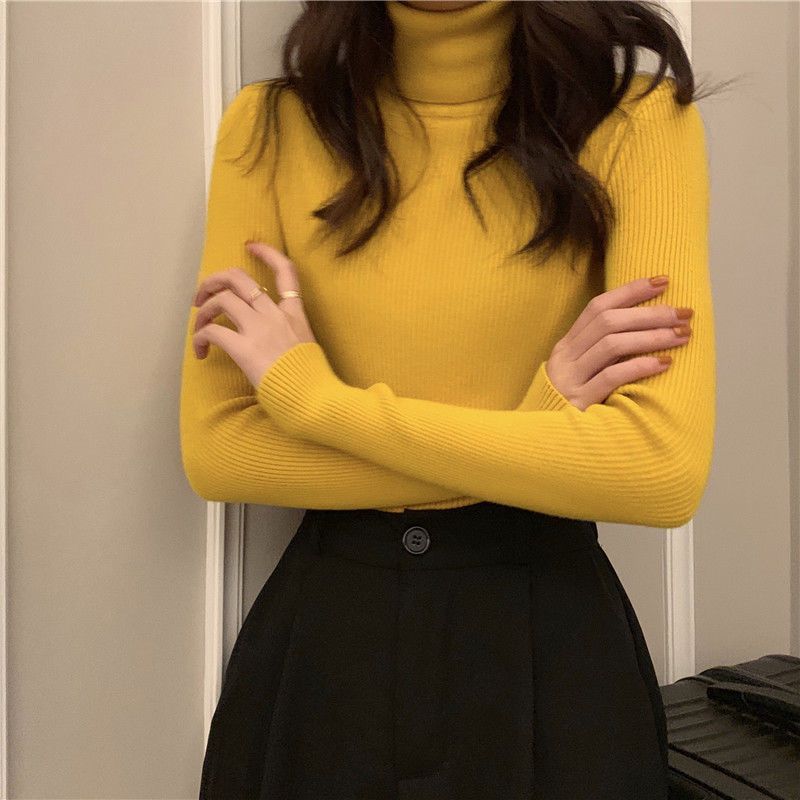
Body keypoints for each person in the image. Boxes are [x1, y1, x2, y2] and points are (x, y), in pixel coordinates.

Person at [180, 1, 719, 797]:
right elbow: (223, 451)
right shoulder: (271, 127)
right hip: (322, 661)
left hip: (551, 652)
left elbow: (659, 471)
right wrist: (536, 427)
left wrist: (316, 405)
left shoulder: (634, 122)